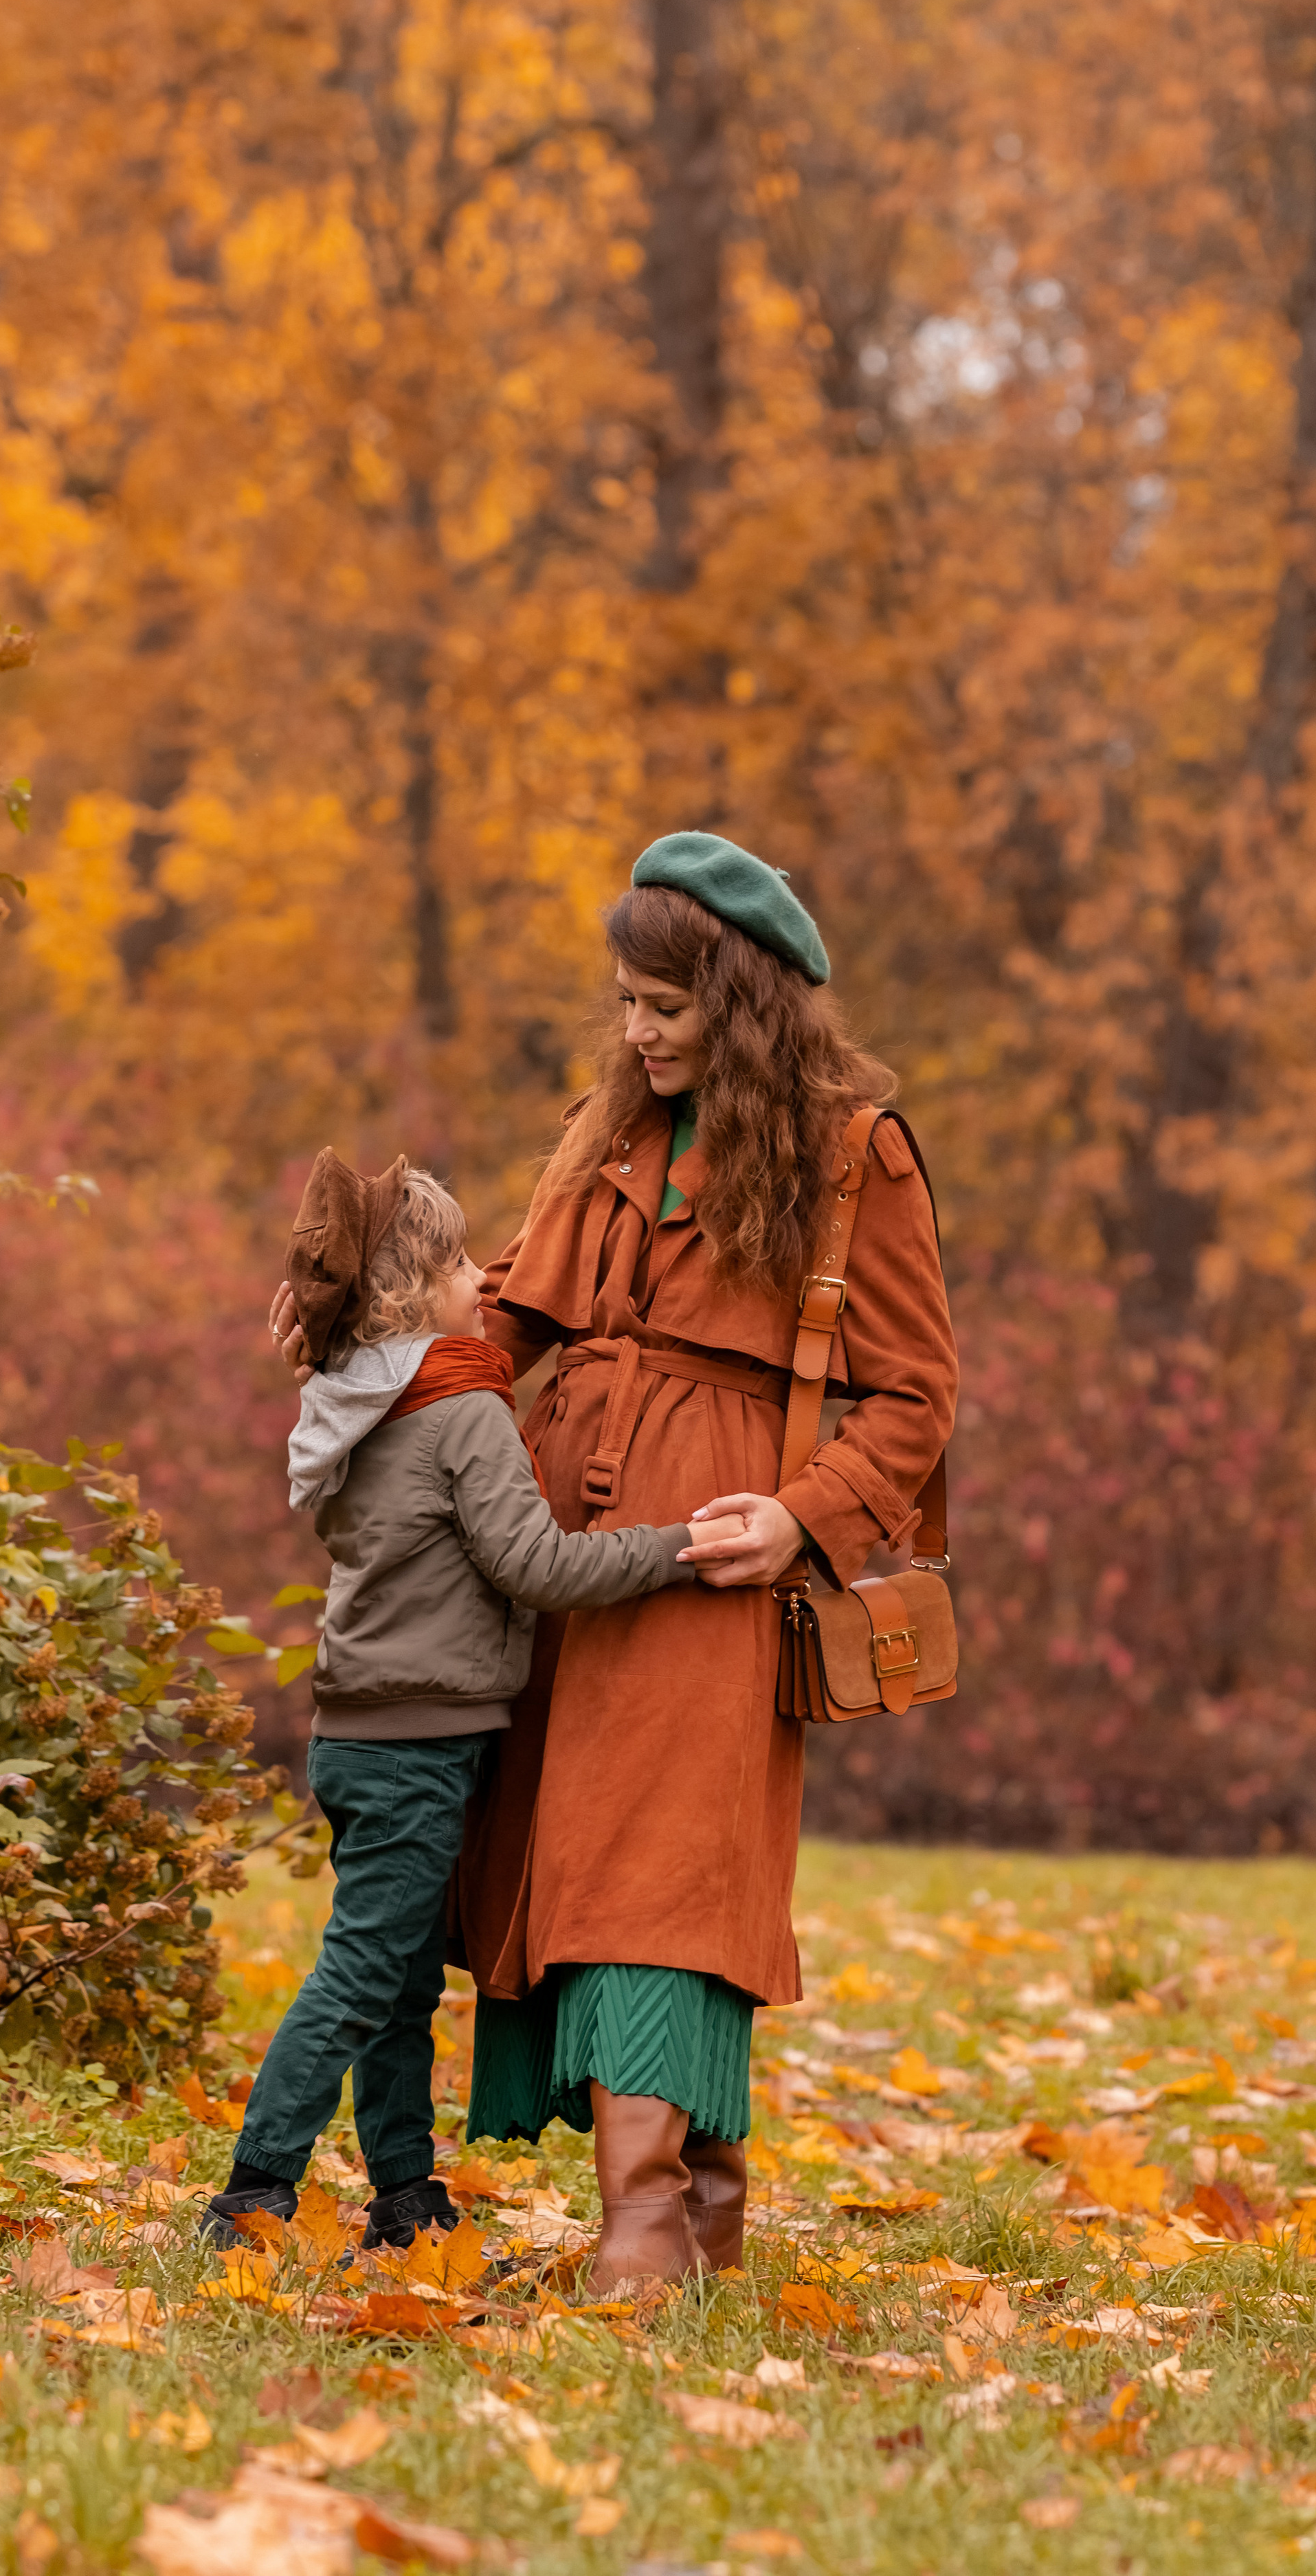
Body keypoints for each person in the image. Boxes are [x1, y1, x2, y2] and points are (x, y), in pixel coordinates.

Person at [270, 832, 957, 2288]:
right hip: (550, 1541)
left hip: (709, 1545)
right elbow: (510, 1313)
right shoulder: (612, 1126)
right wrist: (365, 1354)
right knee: (573, 1855)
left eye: (667, 1007)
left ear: (744, 1003)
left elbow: (915, 1395)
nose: (636, 1032)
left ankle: (644, 2228)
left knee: (666, 1866)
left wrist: (804, 1514)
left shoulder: (853, 1153)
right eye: (628, 1003)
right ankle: (697, 2214)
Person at [205, 1152, 742, 2252]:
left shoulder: (358, 1400)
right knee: (364, 1977)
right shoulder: (461, 1409)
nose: (478, 1282)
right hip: (417, 1742)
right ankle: (252, 2193)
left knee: (397, 1983)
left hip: (357, 1734)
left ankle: (404, 2194)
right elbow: (538, 1567)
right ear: (415, 1293)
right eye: (458, 1264)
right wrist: (678, 1547)